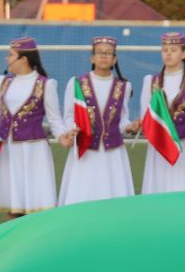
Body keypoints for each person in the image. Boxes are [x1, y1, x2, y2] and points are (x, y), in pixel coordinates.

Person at [0, 36, 63, 218]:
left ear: (23, 59)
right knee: (13, 200)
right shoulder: (2, 82)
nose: (7, 59)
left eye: (11, 55)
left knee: (35, 199)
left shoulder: (45, 84)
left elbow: (54, 119)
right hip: (7, 149)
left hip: (33, 149)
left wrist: (63, 135)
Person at [56, 35, 135, 205]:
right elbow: (69, 115)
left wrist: (129, 127)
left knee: (113, 198)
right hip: (86, 150)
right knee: (83, 195)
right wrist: (72, 129)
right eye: (99, 53)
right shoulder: (77, 83)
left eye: (108, 53)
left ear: (115, 59)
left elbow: (122, 119)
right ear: (92, 57)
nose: (104, 56)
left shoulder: (124, 86)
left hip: (113, 153)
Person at [138, 32, 185, 196]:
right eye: (165, 50)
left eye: (173, 50)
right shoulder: (150, 81)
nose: (168, 53)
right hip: (159, 150)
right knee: (159, 193)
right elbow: (146, 117)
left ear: (184, 53)